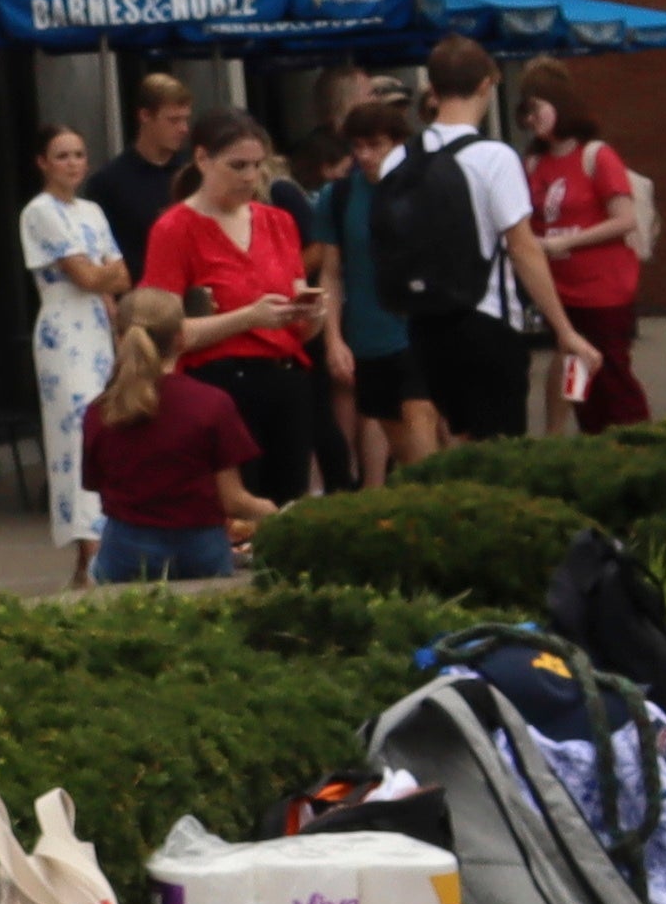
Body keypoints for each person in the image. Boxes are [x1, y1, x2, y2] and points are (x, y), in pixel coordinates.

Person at [139, 111, 329, 506]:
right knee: (239, 505)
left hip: (286, 374)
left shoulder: (277, 221)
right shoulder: (176, 228)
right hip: (221, 380)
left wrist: (311, 315)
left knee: (289, 499)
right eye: (237, 166)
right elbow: (164, 332)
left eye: (258, 166)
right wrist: (248, 317)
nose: (250, 177)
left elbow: (296, 322)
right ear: (203, 160)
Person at [409, 37, 582, 445]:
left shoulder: (405, 157)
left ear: (432, 89)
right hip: (487, 319)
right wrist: (563, 327)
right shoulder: (494, 157)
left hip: (424, 321)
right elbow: (522, 248)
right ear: (488, 84)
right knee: (499, 448)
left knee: (454, 439)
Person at [78, 289, 262, 585]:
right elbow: (233, 501)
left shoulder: (99, 411)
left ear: (119, 338)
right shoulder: (212, 403)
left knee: (96, 570)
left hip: (127, 546)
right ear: (181, 338)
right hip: (200, 546)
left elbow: (98, 487)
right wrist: (276, 513)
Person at [15, 124, 129, 585]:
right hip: (63, 331)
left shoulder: (93, 211)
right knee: (75, 434)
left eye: (79, 154)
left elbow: (119, 278)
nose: (73, 163)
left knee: (107, 430)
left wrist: (103, 279)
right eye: (62, 155)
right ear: (43, 162)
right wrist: (100, 273)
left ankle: (104, 545)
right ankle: (89, 546)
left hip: (100, 328)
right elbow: (86, 275)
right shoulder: (38, 212)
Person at [514, 60, 650, 430]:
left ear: (560, 104)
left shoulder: (596, 155)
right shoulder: (532, 163)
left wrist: (568, 240)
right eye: (526, 112)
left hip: (604, 289)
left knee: (612, 374)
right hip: (561, 291)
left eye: (537, 108)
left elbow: (624, 218)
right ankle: (588, 433)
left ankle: (635, 440)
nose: (532, 120)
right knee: (575, 369)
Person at [310, 86, 433, 487]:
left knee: (422, 432)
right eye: (357, 146)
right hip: (367, 335)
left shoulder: (420, 186)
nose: (364, 155)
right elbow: (330, 271)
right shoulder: (340, 195)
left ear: (397, 143)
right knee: (400, 443)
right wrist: (334, 340)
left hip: (417, 332)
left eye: (375, 145)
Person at [88, 72, 201, 272]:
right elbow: (100, 253)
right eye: (173, 120)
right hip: (140, 294)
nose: (184, 129)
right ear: (145, 116)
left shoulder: (196, 172)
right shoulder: (109, 182)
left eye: (186, 119)